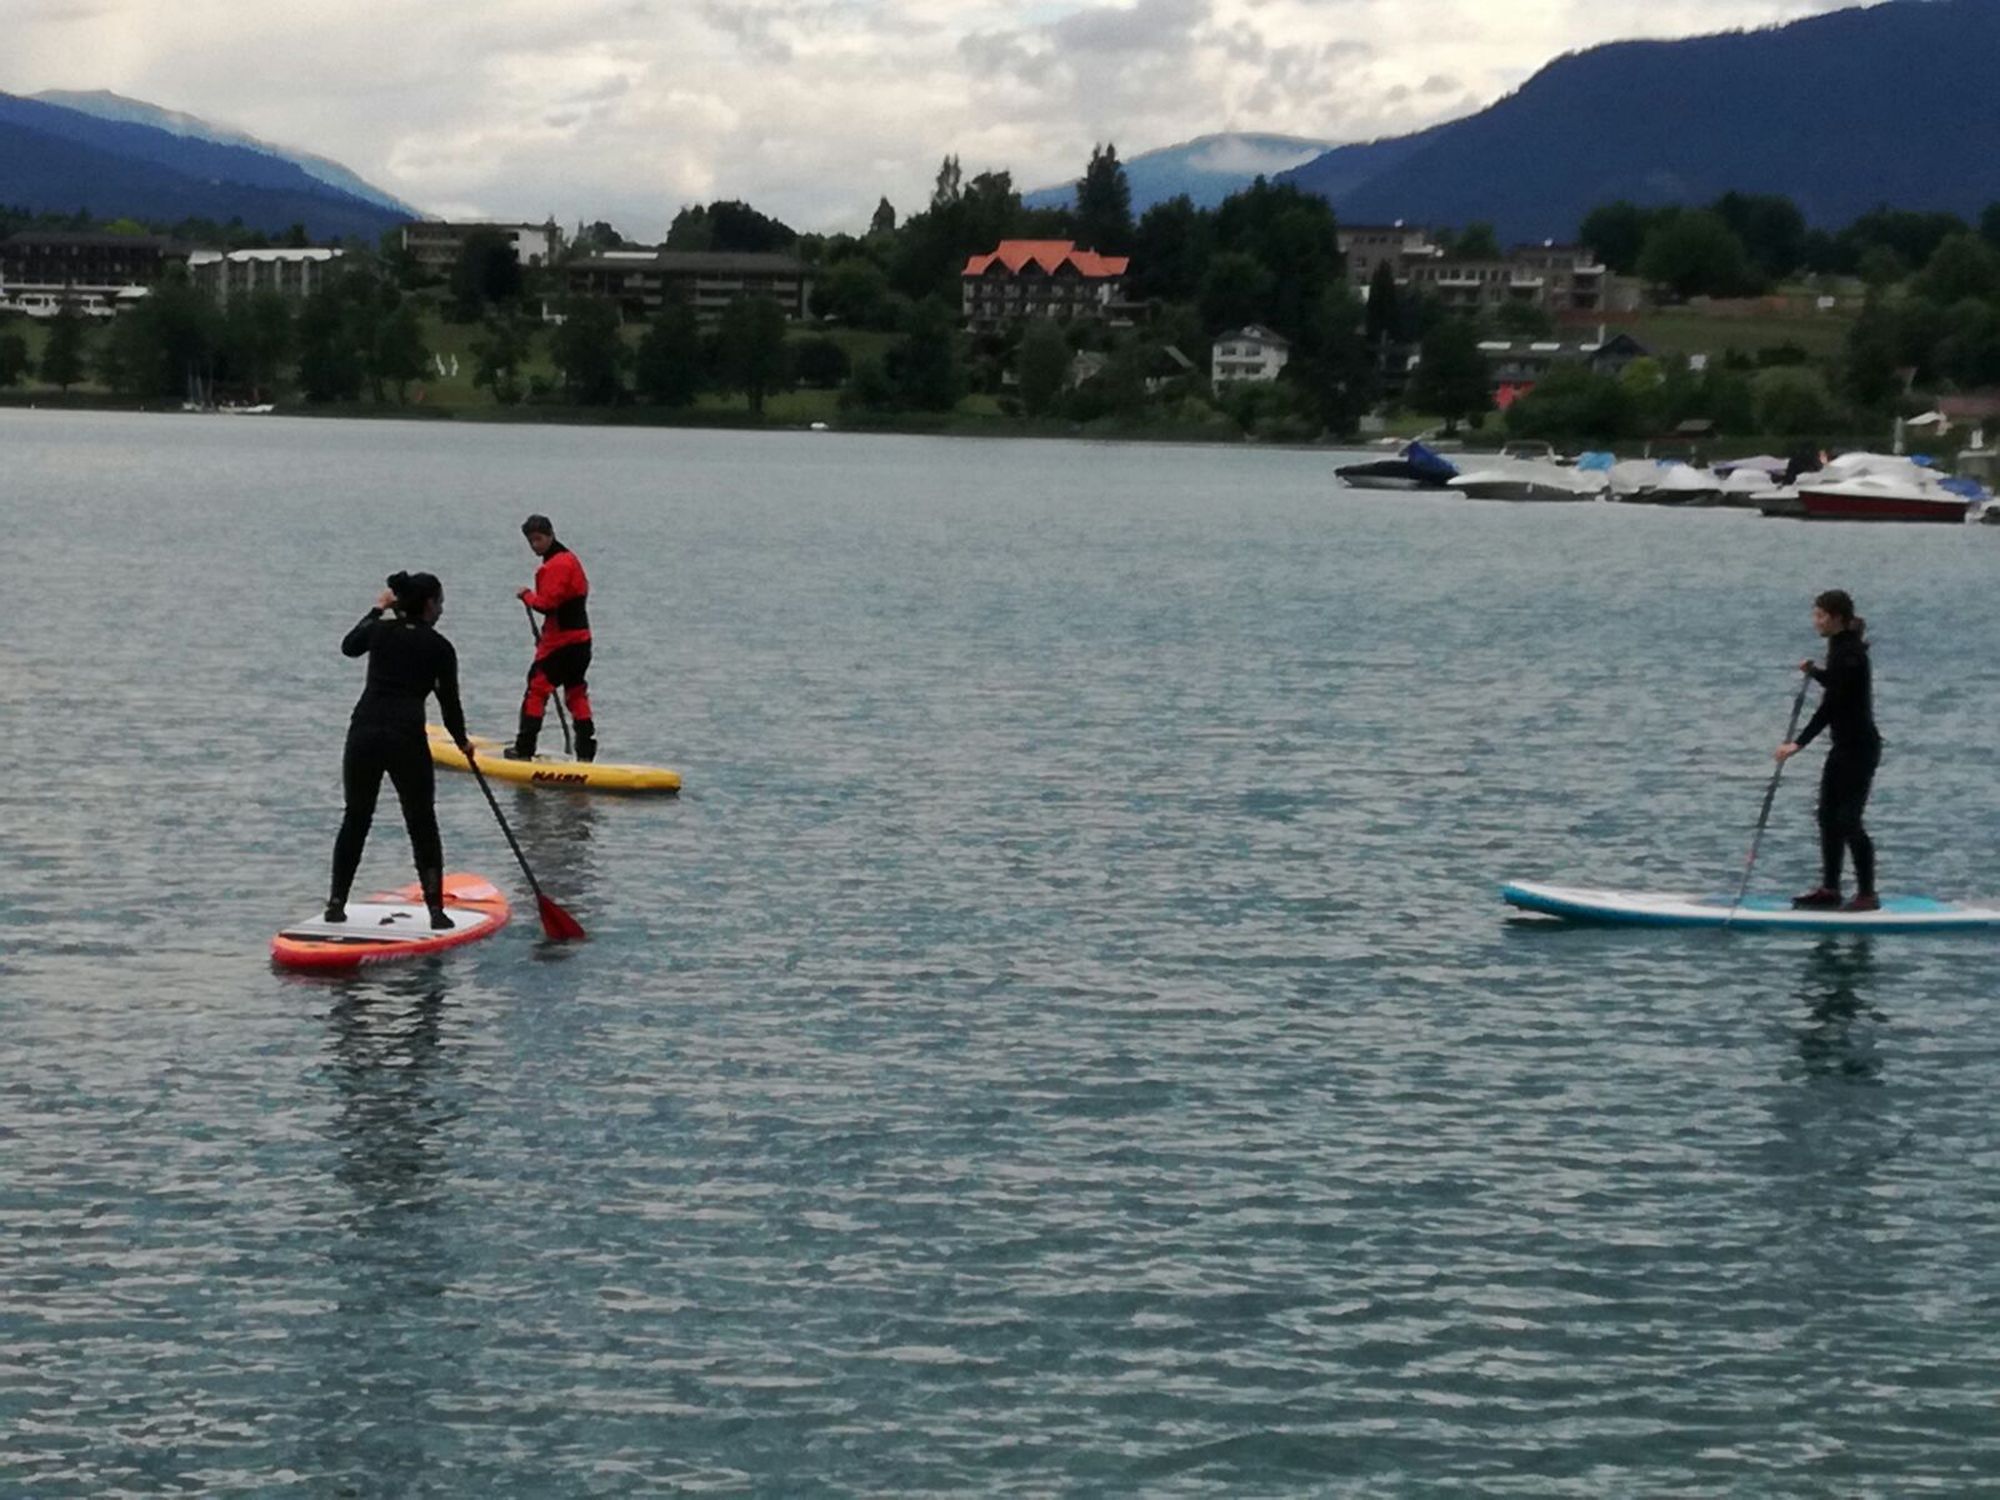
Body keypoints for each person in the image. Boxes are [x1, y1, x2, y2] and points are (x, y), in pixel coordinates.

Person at [327, 571, 474, 930]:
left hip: (363, 732)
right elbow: (449, 705)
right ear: (428, 604)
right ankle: (436, 912)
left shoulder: (380, 631)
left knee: (356, 817)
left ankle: (336, 904)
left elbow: (349, 646)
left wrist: (378, 609)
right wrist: (462, 742)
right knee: (421, 821)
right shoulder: (439, 647)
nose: (442, 610)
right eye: (440, 602)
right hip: (405, 737)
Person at [1776, 589, 1881, 912]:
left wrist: (1798, 743)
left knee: (1849, 820)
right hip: (1843, 747)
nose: (1816, 621)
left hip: (1860, 749)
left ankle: (1867, 894)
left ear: (1836, 618)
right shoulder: (1840, 647)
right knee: (1826, 817)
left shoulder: (1850, 654)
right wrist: (1816, 673)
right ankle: (1830, 889)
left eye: (1820, 616)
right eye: (1816, 614)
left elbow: (1831, 705)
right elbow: (1838, 686)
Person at [506, 513, 596, 763]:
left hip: (562, 645)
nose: (535, 545)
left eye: (539, 539)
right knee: (576, 692)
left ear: (551, 535)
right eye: (531, 541)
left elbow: (546, 605)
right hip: (582, 643)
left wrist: (527, 595)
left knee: (537, 688)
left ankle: (524, 749)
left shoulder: (556, 565)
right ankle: (586, 753)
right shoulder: (571, 559)